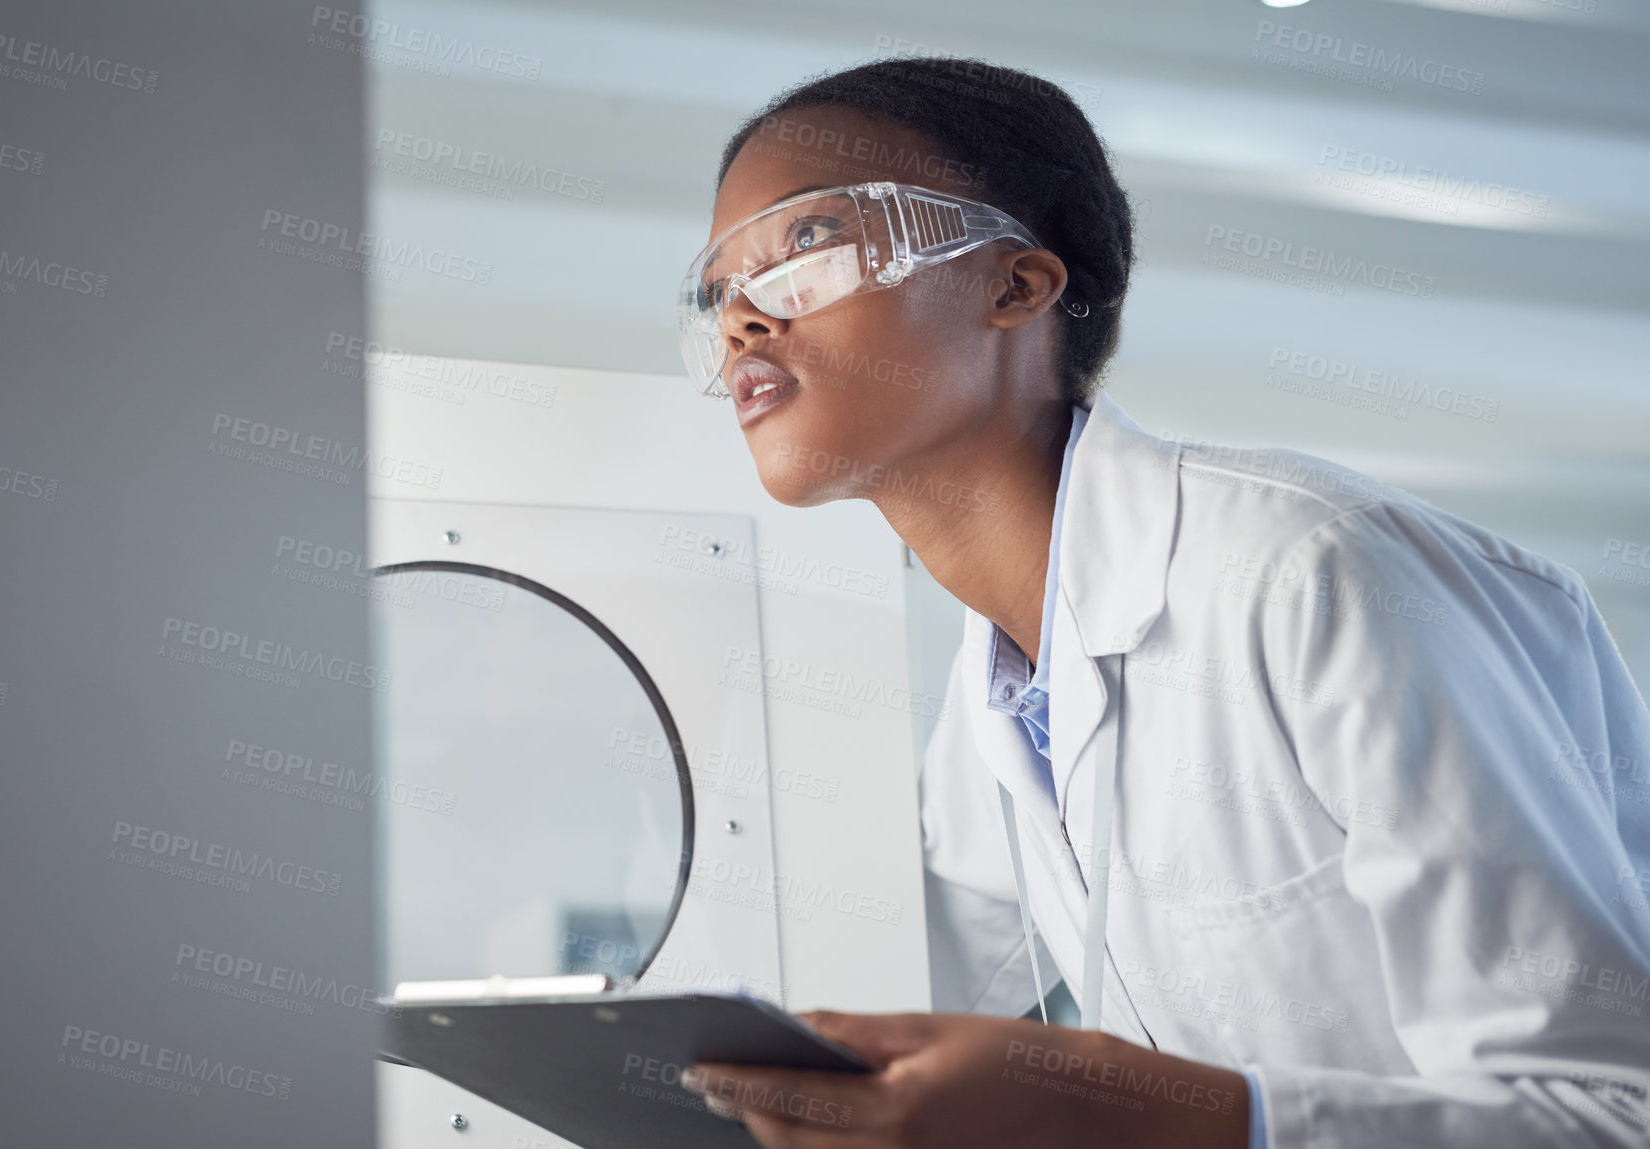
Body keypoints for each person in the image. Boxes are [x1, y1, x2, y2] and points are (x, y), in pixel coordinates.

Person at [674, 56, 1650, 1147]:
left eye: (807, 248)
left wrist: (1119, 1110)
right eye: (719, 290)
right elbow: (884, 1022)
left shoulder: (1313, 575)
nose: (744, 320)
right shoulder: (996, 697)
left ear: (1016, 286)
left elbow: (1608, 1113)